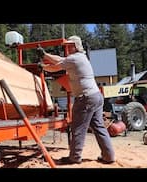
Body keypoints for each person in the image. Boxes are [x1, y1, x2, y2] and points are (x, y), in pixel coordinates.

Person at [36, 35, 115, 164]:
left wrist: (43, 66)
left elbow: (57, 66)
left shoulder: (74, 59)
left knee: (78, 128)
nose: (67, 47)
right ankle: (109, 156)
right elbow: (60, 60)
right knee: (99, 127)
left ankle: (74, 157)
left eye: (69, 45)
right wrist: (45, 55)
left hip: (86, 98)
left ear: (75, 46)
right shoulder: (80, 58)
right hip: (96, 96)